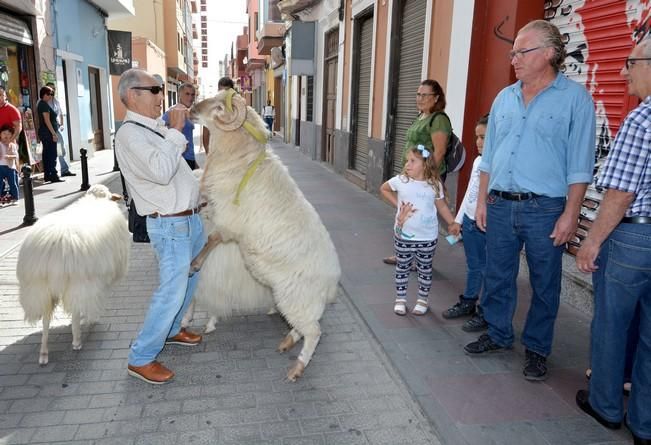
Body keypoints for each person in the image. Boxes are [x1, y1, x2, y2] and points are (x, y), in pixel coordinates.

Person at [463, 20, 596, 382]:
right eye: (513, 52)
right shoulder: (504, 97)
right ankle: (499, 333)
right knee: (497, 274)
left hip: (546, 208)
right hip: (501, 203)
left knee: (544, 282)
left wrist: (571, 214)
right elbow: (489, 155)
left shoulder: (575, 100)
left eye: (522, 51)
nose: (514, 58)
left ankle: (537, 349)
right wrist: (482, 202)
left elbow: (580, 166)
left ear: (550, 53)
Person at [574, 39, 651, 444]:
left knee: (612, 323)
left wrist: (591, 242)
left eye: (631, 63)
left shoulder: (641, 120)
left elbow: (619, 195)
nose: (624, 73)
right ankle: (645, 424)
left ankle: (605, 407)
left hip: (636, 237)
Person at [115, 68, 205, 385]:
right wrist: (176, 133)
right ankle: (141, 357)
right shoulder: (129, 134)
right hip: (169, 226)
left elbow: (176, 174)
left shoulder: (152, 129)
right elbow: (161, 171)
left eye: (160, 89)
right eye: (154, 89)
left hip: (188, 220)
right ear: (131, 95)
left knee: (190, 279)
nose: (160, 95)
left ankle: (172, 329)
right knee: (171, 290)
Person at [380, 144, 460, 316]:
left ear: (425, 164)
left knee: (425, 269)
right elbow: (384, 189)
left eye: (412, 161)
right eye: (407, 161)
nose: (407, 164)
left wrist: (452, 222)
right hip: (403, 236)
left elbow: (442, 206)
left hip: (427, 237)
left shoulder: (434, 184)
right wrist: (398, 205)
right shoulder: (401, 181)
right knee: (402, 268)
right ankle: (400, 299)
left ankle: (422, 300)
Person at [382, 79, 451, 266]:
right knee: (408, 214)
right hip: (413, 174)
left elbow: (439, 151)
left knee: (421, 216)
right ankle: (404, 254)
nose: (420, 98)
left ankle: (420, 257)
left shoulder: (439, 120)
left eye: (425, 95)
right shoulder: (421, 116)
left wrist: (428, 177)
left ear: (436, 98)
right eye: (418, 94)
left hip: (425, 177)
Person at [442, 114, 489, 332]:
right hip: (470, 222)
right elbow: (471, 193)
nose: (479, 143)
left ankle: (485, 312)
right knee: (473, 266)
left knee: (487, 269)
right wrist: (458, 221)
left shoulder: (499, 163)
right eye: (477, 137)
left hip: (485, 226)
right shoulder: (479, 161)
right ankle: (469, 301)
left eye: (484, 138)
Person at [163, 82, 197, 169]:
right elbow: (161, 134)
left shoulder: (187, 112)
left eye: (193, 95)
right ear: (179, 95)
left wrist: (194, 163)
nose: (190, 97)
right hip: (180, 161)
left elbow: (189, 140)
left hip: (189, 160)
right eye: (187, 94)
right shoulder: (173, 112)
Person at [44, 82, 75, 177]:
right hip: (48, 129)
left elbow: (61, 113)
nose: (52, 91)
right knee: (50, 151)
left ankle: (64, 170)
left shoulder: (56, 101)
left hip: (56, 128)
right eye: (50, 89)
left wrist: (62, 124)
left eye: (54, 89)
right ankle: (50, 173)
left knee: (61, 149)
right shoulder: (44, 102)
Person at [36, 86, 64, 183]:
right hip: (47, 133)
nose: (51, 96)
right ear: (44, 94)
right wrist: (53, 134)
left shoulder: (43, 104)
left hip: (46, 133)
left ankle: (48, 175)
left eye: (52, 94)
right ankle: (53, 175)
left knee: (47, 154)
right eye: (49, 94)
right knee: (52, 154)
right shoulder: (43, 105)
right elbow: (47, 120)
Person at [202, 76, 235, 154]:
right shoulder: (211, 108)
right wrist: (208, 154)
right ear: (218, 90)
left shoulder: (238, 108)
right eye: (221, 91)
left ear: (232, 91)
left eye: (226, 91)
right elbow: (205, 134)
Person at [0, 124, 19, 203]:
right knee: (0, 183)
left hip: (10, 167)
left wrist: (9, 156)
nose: (6, 136)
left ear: (11, 135)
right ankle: (1, 199)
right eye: (4, 134)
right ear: (0, 134)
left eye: (8, 134)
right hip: (0, 166)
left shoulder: (12, 145)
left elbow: (15, 156)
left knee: (13, 183)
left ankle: (15, 198)